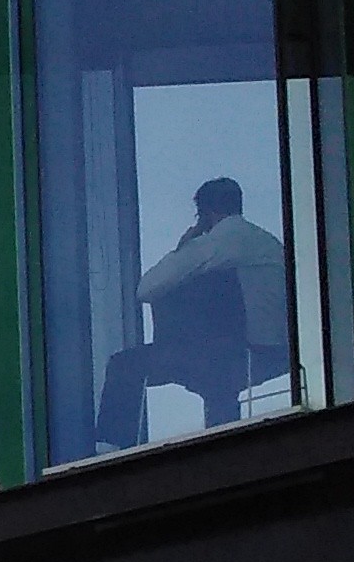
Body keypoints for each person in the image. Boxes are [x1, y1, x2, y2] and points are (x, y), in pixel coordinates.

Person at [100, 176, 293, 448]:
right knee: (218, 385)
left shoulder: (221, 240)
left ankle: (112, 449)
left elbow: (146, 289)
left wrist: (186, 244)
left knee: (124, 366)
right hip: (273, 349)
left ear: (206, 214)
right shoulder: (267, 242)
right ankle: (228, 450)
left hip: (235, 351)